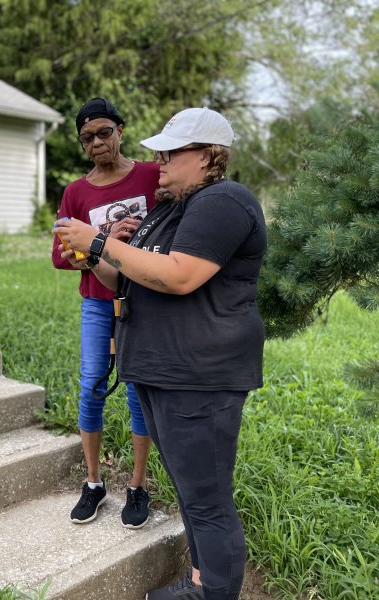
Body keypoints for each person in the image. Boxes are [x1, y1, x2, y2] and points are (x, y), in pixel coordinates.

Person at [54, 107, 266, 600]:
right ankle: (199, 582)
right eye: (159, 151)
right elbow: (124, 278)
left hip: (199, 376)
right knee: (191, 493)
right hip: (161, 372)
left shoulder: (224, 200)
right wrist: (97, 254)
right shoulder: (171, 208)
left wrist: (101, 238)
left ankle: (213, 592)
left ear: (209, 155)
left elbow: (178, 275)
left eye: (172, 151)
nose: (161, 160)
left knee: (208, 501)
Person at [52, 97, 160, 528]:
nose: (97, 143)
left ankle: (137, 486)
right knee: (92, 385)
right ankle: (94, 482)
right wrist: (101, 241)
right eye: (87, 138)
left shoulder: (151, 176)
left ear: (120, 130)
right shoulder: (76, 193)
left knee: (138, 391)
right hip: (98, 303)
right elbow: (61, 256)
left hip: (144, 302)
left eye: (103, 133)